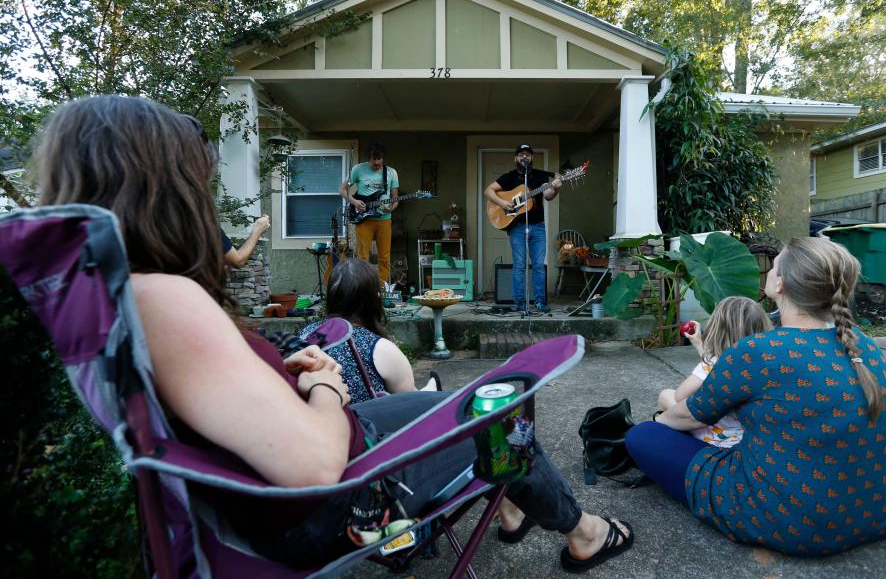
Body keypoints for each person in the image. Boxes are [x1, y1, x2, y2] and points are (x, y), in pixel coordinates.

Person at [35, 95, 634, 573]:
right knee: (498, 416)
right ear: (162, 188)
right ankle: (583, 533)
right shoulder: (167, 300)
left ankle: (511, 510)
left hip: (302, 481)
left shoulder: (118, 299)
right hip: (338, 499)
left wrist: (283, 376)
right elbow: (318, 465)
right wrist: (327, 385)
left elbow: (227, 413)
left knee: (443, 404)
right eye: (195, 179)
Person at [625, 237, 886, 556]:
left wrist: (660, 421)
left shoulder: (757, 352)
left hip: (796, 524)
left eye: (773, 267)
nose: (769, 272)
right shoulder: (863, 345)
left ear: (781, 284)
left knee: (644, 436)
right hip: (885, 510)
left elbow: (689, 414)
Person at [299, 258, 439, 403]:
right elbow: (409, 405)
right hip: (361, 423)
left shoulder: (305, 336)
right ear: (375, 298)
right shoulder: (381, 348)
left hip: (311, 421)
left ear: (331, 298)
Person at [657, 296, 772, 449]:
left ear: (718, 329)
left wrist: (706, 361)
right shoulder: (765, 363)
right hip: (747, 438)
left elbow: (680, 396)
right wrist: (699, 344)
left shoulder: (713, 363)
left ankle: (661, 440)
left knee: (666, 395)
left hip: (716, 438)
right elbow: (715, 370)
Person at [483, 143, 561, 313]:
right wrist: (503, 202)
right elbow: (488, 191)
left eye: (527, 154)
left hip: (538, 227)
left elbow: (547, 196)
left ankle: (540, 302)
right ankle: (520, 302)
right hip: (517, 226)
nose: (524, 157)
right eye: (520, 155)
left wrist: (555, 188)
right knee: (519, 265)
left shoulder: (540, 176)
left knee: (539, 265)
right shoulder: (509, 177)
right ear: (516, 158)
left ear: (532, 157)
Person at [340, 143, 398, 286]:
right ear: (369, 159)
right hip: (364, 219)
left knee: (384, 256)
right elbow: (342, 190)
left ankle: (382, 288)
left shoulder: (391, 172)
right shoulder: (358, 169)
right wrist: (355, 202)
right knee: (363, 256)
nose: (377, 165)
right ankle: (364, 286)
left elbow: (395, 199)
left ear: (383, 159)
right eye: (374, 162)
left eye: (380, 162)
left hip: (384, 220)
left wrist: (391, 208)